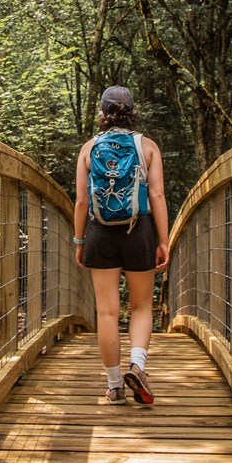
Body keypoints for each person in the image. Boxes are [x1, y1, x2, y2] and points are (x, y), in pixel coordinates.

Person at [73, 85, 170, 405]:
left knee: (107, 311)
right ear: (133, 111)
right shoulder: (149, 147)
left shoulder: (88, 148)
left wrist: (79, 242)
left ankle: (115, 385)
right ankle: (138, 366)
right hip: (138, 229)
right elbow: (156, 195)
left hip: (99, 232)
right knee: (141, 305)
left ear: (102, 113)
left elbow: (82, 201)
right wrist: (163, 240)